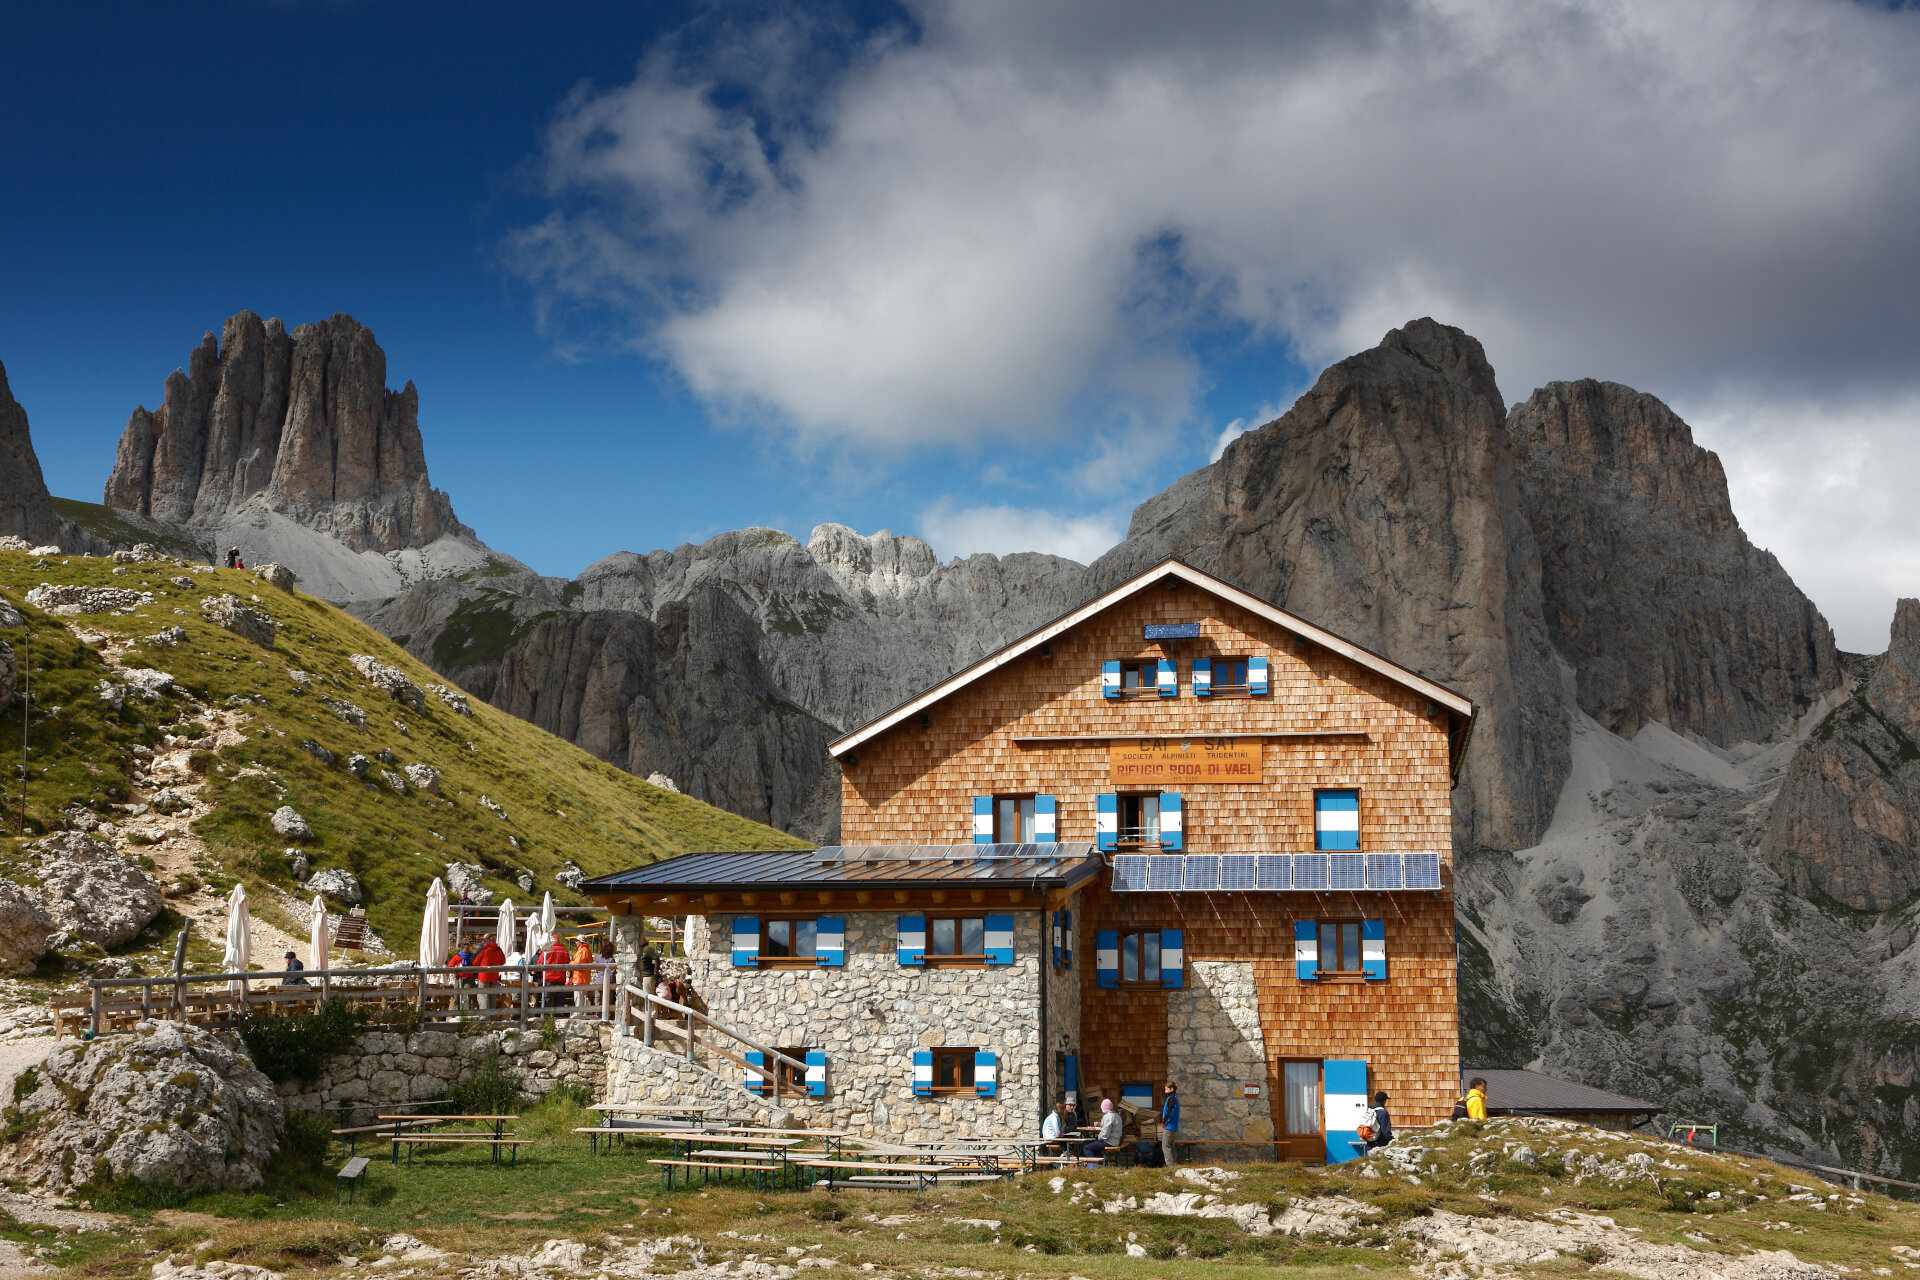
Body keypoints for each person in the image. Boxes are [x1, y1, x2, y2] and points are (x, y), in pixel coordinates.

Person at [474, 933, 505, 1010]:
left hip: (483, 976)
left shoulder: (482, 949)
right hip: (494, 976)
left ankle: (484, 1017)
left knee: (483, 995)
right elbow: (503, 961)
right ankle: (492, 1016)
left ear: (485, 940)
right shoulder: (498, 949)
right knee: (492, 996)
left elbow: (475, 963)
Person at [542, 935, 572, 1008]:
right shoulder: (564, 950)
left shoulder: (547, 950)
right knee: (559, 999)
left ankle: (546, 1016)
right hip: (561, 978)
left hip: (549, 978)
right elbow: (568, 962)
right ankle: (558, 1016)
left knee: (547, 999)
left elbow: (540, 962)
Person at [1160, 1082, 1180, 1168]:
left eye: (1166, 1089)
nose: (1165, 1091)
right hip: (1173, 1126)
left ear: (1172, 1089)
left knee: (1166, 1146)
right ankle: (1174, 1165)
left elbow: (1170, 1112)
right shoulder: (1173, 1098)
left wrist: (1164, 1122)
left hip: (1169, 1126)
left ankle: (1171, 1166)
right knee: (1171, 1146)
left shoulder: (1172, 1098)